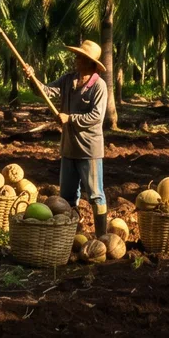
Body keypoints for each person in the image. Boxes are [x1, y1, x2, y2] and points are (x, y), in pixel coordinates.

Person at [50, 39, 111, 238]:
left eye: (80, 57)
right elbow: (48, 91)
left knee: (95, 195)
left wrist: (70, 118)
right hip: (69, 149)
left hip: (89, 151)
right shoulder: (68, 80)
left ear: (90, 63)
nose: (75, 60)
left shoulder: (99, 86)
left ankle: (101, 235)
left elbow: (96, 117)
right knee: (66, 196)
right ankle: (70, 234)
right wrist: (31, 78)